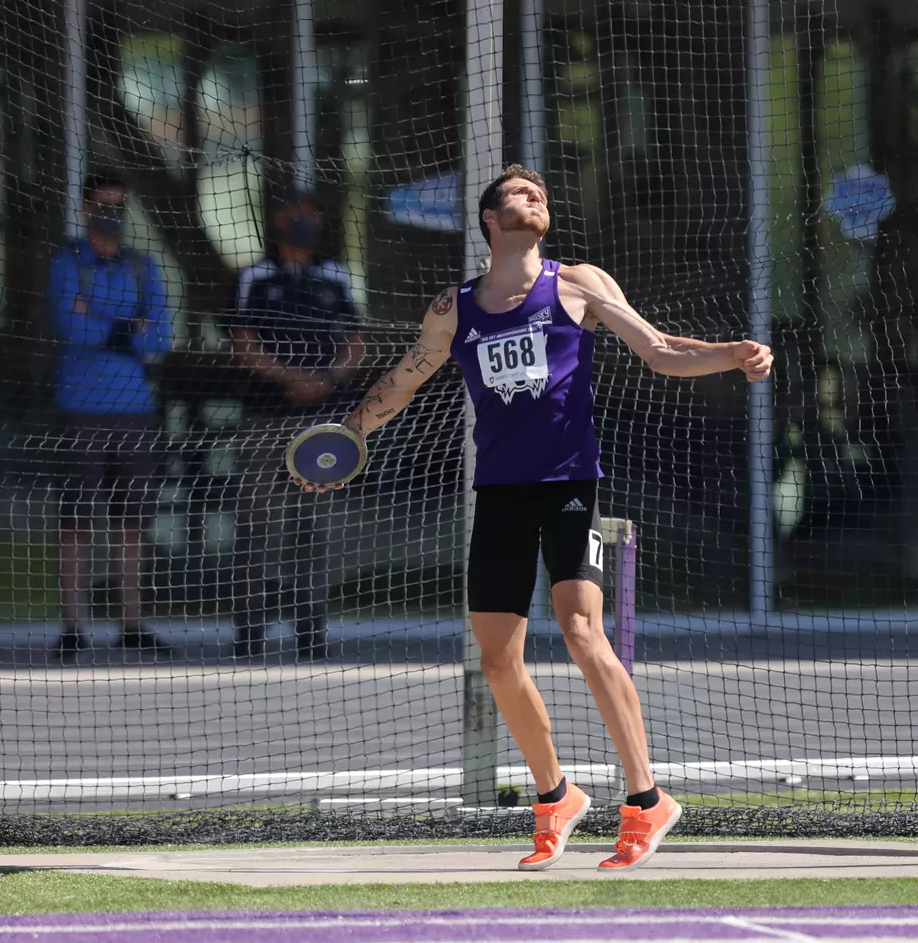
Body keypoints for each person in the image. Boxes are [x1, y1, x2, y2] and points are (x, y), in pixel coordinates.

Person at [297, 165, 773, 871]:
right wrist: (350, 438)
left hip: (569, 487)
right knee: (496, 662)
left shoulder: (579, 282)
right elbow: (402, 379)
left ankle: (646, 802)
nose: (535, 200)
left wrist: (730, 356)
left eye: (542, 195)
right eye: (521, 195)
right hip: (500, 493)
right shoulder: (454, 308)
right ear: (491, 219)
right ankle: (555, 796)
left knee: (583, 632)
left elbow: (661, 350)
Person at [228, 198, 364, 660]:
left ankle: (312, 633)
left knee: (313, 527)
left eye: (316, 217)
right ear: (280, 220)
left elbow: (357, 342)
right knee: (256, 523)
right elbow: (242, 344)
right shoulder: (254, 276)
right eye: (299, 217)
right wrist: (291, 378)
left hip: (322, 423)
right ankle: (250, 633)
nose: (308, 225)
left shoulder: (337, 276)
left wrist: (329, 379)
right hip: (265, 420)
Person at [48, 173, 173, 661]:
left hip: (136, 409)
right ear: (84, 209)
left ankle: (132, 624)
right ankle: (73, 627)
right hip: (80, 407)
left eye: (120, 205)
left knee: (131, 524)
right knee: (76, 523)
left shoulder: (143, 267)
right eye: (104, 205)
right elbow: (68, 323)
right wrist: (129, 327)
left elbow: (159, 338)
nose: (113, 215)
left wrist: (106, 323)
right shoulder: (66, 263)